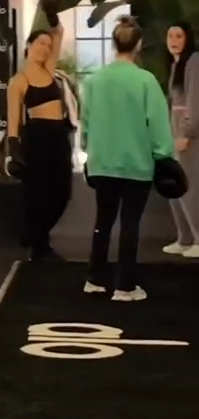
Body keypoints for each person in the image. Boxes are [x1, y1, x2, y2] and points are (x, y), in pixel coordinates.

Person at [82, 17, 176, 302]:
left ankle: (95, 279)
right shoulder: (145, 81)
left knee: (103, 221)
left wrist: (89, 150)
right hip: (137, 163)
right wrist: (164, 155)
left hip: (102, 162)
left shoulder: (94, 81)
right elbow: (158, 124)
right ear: (138, 45)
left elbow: (86, 123)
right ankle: (125, 286)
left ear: (114, 44)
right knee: (130, 223)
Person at [6, 22, 74, 260]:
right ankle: (39, 245)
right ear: (28, 45)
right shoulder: (19, 80)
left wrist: (52, 16)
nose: (45, 48)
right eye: (40, 43)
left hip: (59, 135)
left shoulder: (49, 69)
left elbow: (60, 32)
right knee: (38, 193)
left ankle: (34, 232)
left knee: (63, 192)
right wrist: (13, 150)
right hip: (37, 137)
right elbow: (13, 119)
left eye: (48, 45)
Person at [164, 22, 199, 257]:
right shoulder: (176, 64)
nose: (174, 41)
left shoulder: (194, 62)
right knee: (174, 185)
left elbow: (195, 101)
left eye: (179, 36)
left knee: (191, 186)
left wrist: (187, 132)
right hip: (174, 130)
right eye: (170, 36)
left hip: (189, 133)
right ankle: (184, 237)